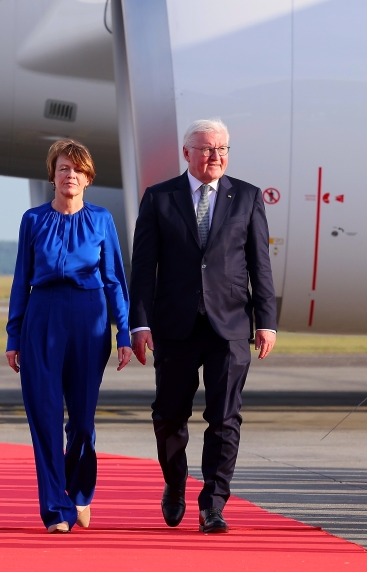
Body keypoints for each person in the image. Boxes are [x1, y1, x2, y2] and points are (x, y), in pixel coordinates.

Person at [129, 119, 276, 534]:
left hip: (228, 325)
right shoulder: (159, 198)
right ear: (187, 153)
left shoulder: (246, 196)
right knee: (169, 416)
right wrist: (138, 325)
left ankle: (213, 503)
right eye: (208, 149)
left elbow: (260, 266)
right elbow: (143, 269)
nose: (216, 157)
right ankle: (175, 484)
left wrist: (266, 321)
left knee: (225, 417)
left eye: (223, 149)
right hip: (175, 324)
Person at [6, 139, 134, 534]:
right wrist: (14, 335)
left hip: (89, 317)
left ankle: (79, 492)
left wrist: (124, 330)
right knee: (43, 417)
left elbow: (114, 279)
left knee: (80, 419)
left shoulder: (102, 220)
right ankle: (56, 509)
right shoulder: (33, 220)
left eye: (77, 170)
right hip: (42, 316)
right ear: (53, 175)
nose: (70, 176)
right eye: (63, 168)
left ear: (88, 177)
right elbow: (20, 280)